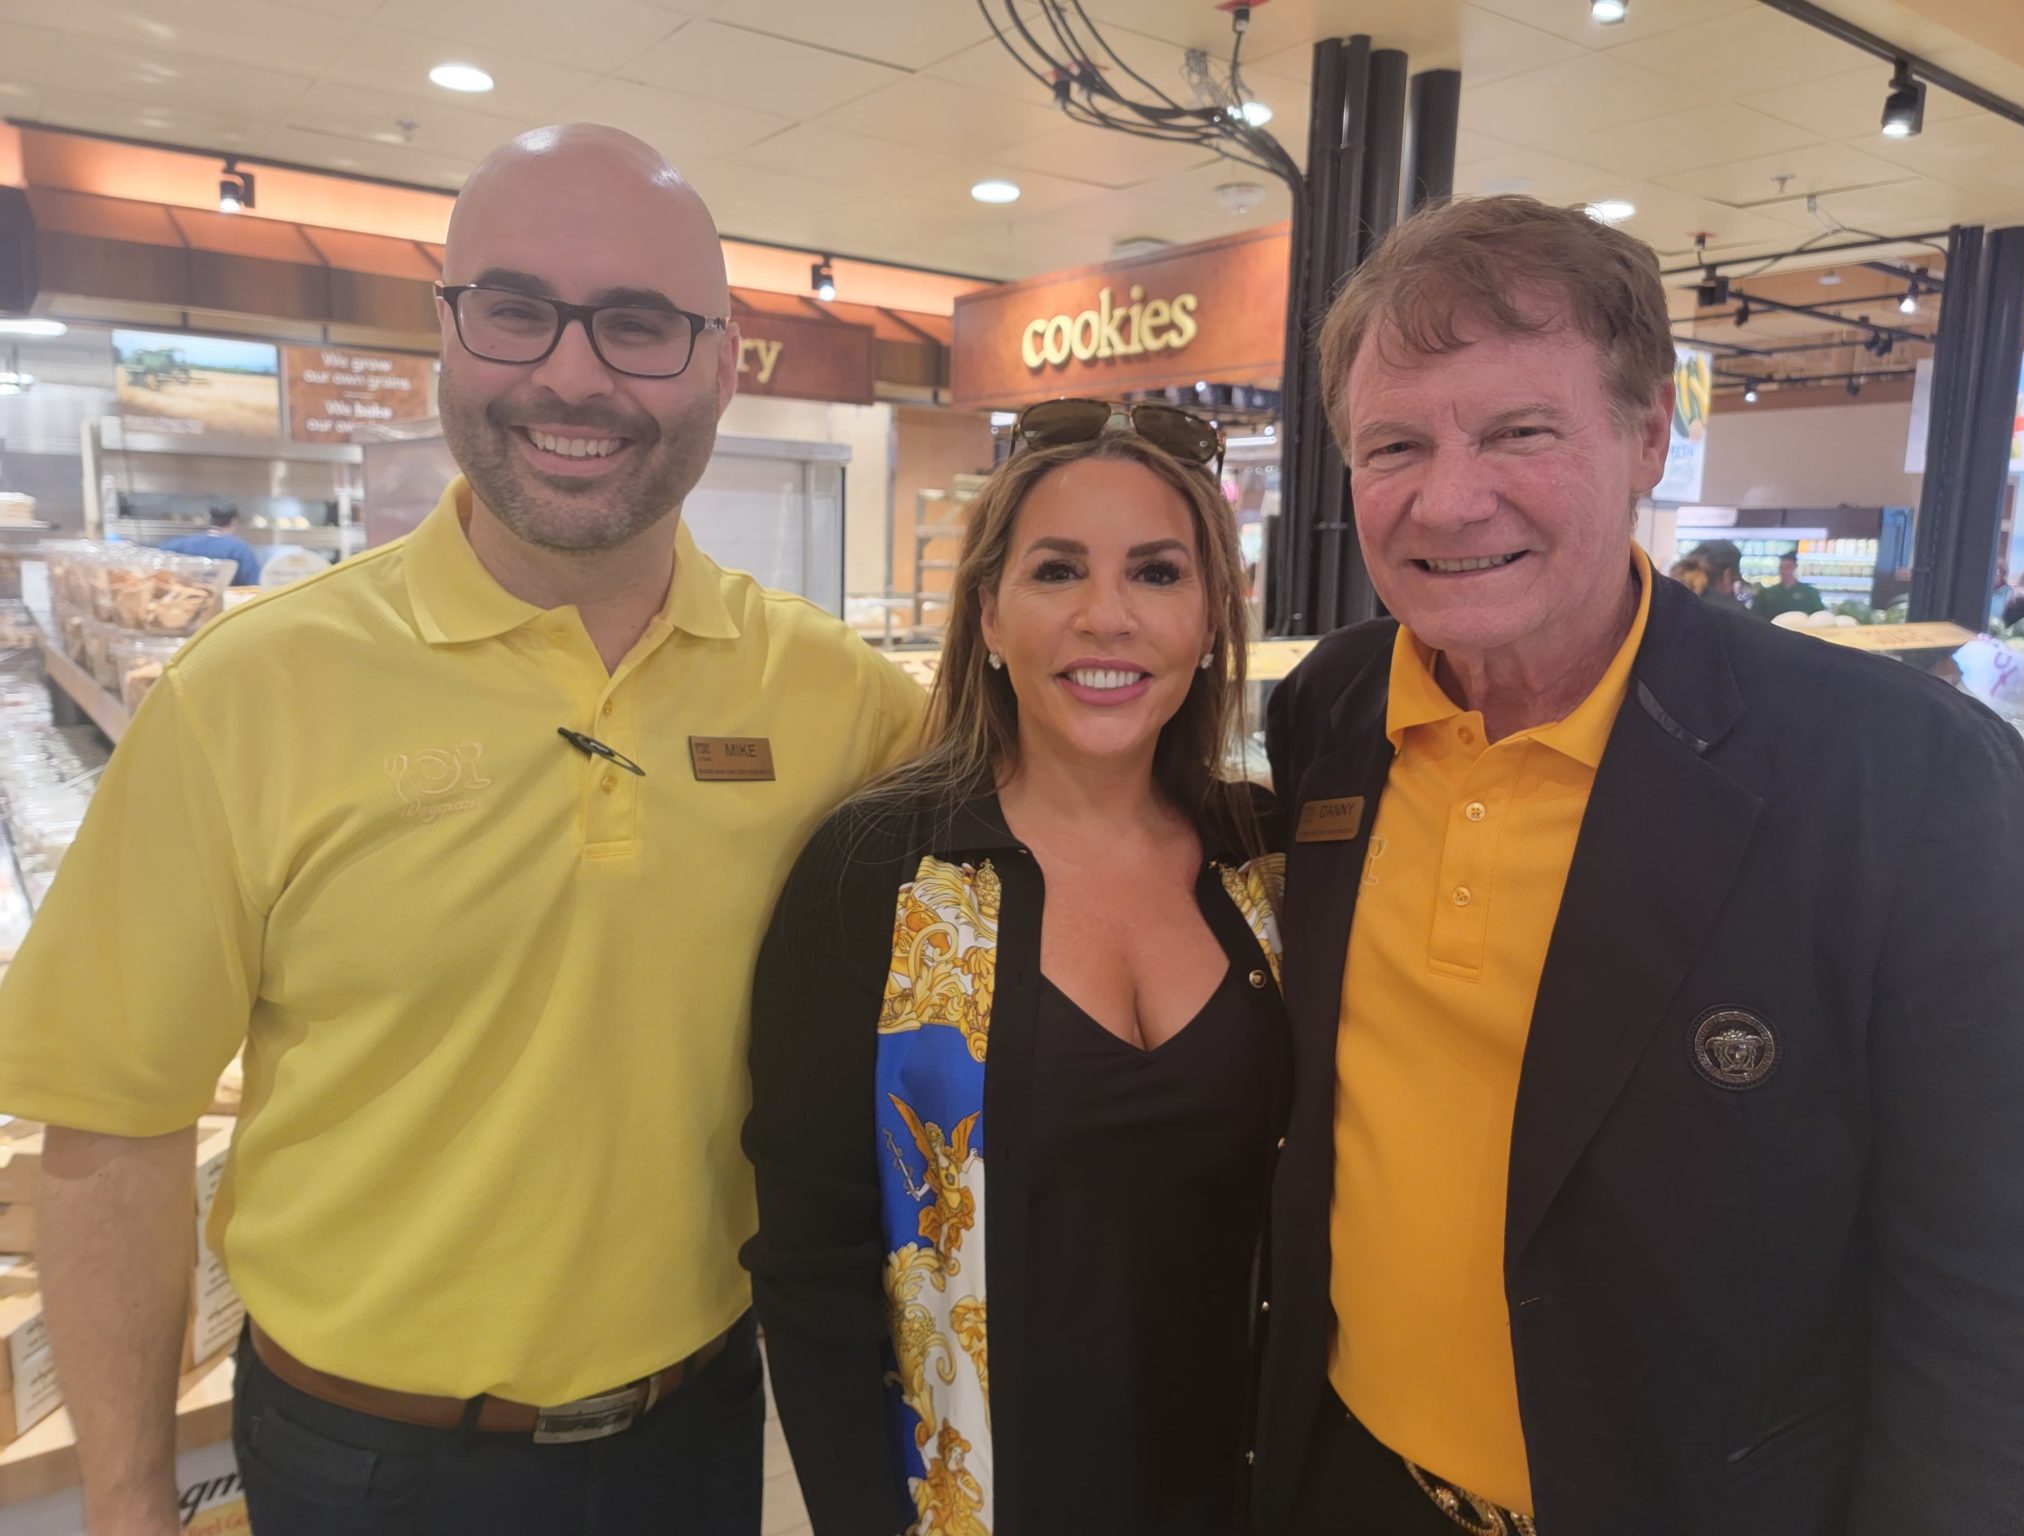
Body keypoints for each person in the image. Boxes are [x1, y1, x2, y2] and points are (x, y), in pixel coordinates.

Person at [0, 124, 924, 1536]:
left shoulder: (842, 702)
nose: (571, 373)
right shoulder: (250, 691)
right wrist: (128, 1513)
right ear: (446, 330)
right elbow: (114, 1131)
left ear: (724, 364)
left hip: (704, 1432)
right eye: (513, 309)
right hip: (366, 1464)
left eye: (637, 324)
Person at [1254, 195, 2024, 1536]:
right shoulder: (1333, 716)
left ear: (1649, 436)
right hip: (1353, 1485)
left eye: (1520, 431)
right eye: (1395, 444)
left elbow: (1992, 1288)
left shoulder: (1898, 776)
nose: (1451, 498)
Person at [744, 401, 1288, 1536]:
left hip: (1249, 1493)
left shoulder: (1270, 864)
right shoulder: (879, 876)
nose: (1107, 617)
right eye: (1055, 572)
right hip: (979, 1501)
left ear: (1207, 615)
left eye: (1154, 572)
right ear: (988, 614)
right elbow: (814, 1265)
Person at [161, 503, 263, 587]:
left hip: (188, 602)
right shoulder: (240, 548)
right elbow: (252, 583)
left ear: (209, 519)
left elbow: (159, 559)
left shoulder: (184, 543)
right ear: (233, 521)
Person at [1753, 550, 1825, 621]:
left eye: (1788, 567)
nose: (1784, 571)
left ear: (1795, 568)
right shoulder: (1765, 594)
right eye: (1781, 568)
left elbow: (1819, 617)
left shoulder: (1810, 593)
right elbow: (1756, 618)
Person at [1689, 536, 1750, 614]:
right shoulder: (1738, 616)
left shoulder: (1674, 607)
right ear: (1727, 575)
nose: (1733, 591)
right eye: (1733, 581)